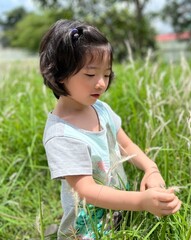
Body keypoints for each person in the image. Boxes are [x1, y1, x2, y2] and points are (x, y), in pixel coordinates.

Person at [39, 19, 181, 239]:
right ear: (59, 74)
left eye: (106, 74)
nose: (101, 84)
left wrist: (150, 168)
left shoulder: (101, 109)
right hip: (86, 230)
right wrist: (141, 202)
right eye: (90, 74)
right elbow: (87, 190)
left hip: (118, 212)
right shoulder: (62, 135)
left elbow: (125, 144)